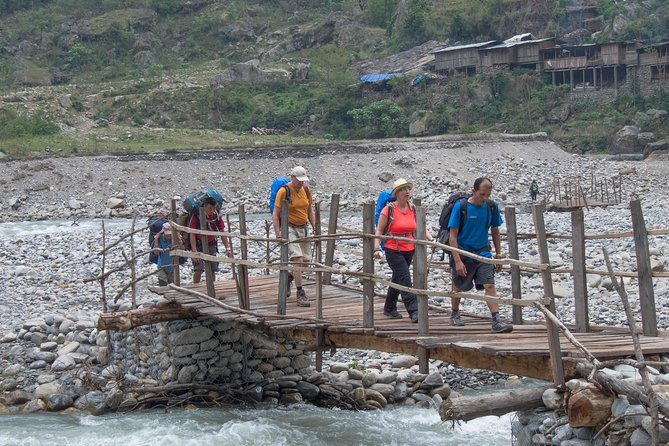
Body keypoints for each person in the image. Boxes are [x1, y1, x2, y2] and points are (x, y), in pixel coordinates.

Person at [448, 177, 513, 333]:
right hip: (463, 253)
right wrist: (457, 261)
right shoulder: (461, 207)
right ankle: (455, 313)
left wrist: (498, 254)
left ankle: (496, 320)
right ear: (474, 190)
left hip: (483, 253)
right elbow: (452, 236)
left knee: (489, 285)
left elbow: (495, 230)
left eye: (487, 195)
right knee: (458, 286)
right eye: (482, 194)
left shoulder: (491, 207)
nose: (484, 198)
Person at [373, 178, 433, 323]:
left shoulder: (412, 208)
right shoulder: (389, 210)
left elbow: (421, 227)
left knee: (398, 277)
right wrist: (376, 248)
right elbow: (379, 231)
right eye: (404, 189)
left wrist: (431, 240)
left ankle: (389, 308)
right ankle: (414, 311)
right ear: (397, 193)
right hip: (393, 249)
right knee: (405, 279)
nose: (407, 192)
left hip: (409, 248)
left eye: (408, 189)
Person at [272, 166, 316, 307]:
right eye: (298, 180)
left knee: (306, 261)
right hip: (289, 227)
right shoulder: (284, 191)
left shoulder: (306, 190)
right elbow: (275, 214)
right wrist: (278, 233)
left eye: (303, 180)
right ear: (292, 177)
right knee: (298, 259)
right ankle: (300, 292)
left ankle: (290, 276)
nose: (301, 183)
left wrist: (315, 227)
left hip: (303, 227)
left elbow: (309, 210)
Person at [189, 196, 232, 284]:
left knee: (212, 268)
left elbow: (222, 232)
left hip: (211, 244)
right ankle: (195, 287)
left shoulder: (216, 216)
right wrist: (194, 251)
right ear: (205, 206)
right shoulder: (196, 217)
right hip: (198, 244)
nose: (212, 211)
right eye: (210, 208)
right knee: (199, 268)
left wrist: (228, 248)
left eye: (214, 208)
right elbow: (192, 234)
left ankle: (212, 288)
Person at [153, 222, 176, 286]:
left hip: (172, 266)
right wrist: (156, 239)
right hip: (161, 266)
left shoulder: (175, 239)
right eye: (167, 235)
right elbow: (156, 252)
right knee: (163, 285)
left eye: (169, 235)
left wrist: (179, 240)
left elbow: (182, 249)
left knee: (173, 286)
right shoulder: (160, 239)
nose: (168, 237)